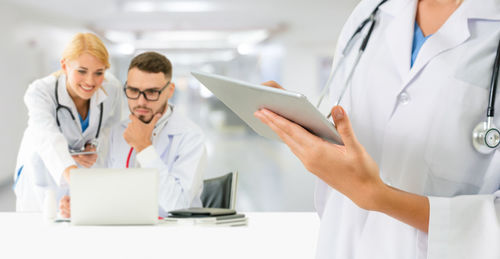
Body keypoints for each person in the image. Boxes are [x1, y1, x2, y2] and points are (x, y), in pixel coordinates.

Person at [255, 0, 500, 258]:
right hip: (341, 243)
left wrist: (378, 197)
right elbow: (349, 126)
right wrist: (310, 130)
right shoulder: (371, 12)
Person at [59, 52, 207, 218]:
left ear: (170, 90)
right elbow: (102, 189)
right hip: (122, 231)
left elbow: (179, 207)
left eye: (152, 92)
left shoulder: (190, 137)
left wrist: (144, 147)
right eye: (133, 90)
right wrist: (80, 202)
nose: (141, 102)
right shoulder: (116, 132)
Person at [14, 33, 122, 212]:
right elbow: (46, 135)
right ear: (64, 65)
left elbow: (111, 128)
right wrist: (74, 176)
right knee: (42, 225)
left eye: (99, 73)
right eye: (81, 71)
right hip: (44, 170)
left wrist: (94, 145)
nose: (90, 81)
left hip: (83, 172)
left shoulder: (112, 88)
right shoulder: (40, 91)